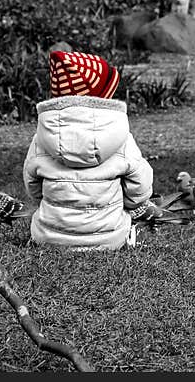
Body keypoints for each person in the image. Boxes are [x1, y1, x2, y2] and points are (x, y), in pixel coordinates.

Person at [23, 50, 153, 250]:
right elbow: (140, 188)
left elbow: (33, 187)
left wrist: (56, 201)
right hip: (110, 239)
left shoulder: (41, 139)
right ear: (103, 97)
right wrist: (125, 203)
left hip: (48, 237)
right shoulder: (122, 138)